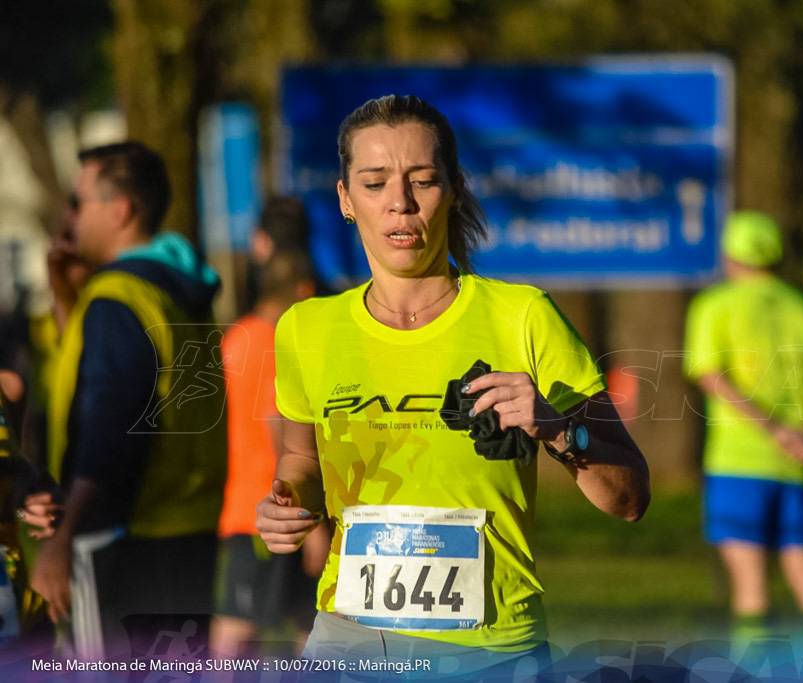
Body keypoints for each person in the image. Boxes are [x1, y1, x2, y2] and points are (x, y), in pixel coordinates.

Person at [255, 94, 650, 678]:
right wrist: (286, 504)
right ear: (345, 199)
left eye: (421, 180)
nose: (399, 203)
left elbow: (631, 498)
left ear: (455, 188)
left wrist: (558, 431)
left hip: (491, 653)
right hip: (348, 643)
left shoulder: (523, 317)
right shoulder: (305, 328)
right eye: (374, 182)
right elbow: (300, 459)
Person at [29, 141, 227, 659]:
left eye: (78, 202)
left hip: (128, 546)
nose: (69, 217)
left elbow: (109, 430)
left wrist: (62, 535)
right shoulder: (175, 289)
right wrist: (67, 296)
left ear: (120, 210)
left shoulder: (118, 298)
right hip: (195, 534)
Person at [683, 211, 803, 646]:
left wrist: (774, 430)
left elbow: (711, 376)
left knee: (751, 589)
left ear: (730, 256)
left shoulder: (714, 305)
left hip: (738, 463)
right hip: (797, 465)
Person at [211, 249, 324, 657]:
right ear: (304, 291)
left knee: (306, 618)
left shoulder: (236, 334)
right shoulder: (275, 341)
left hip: (242, 503)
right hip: (269, 509)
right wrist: (309, 520)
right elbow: (277, 421)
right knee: (242, 628)